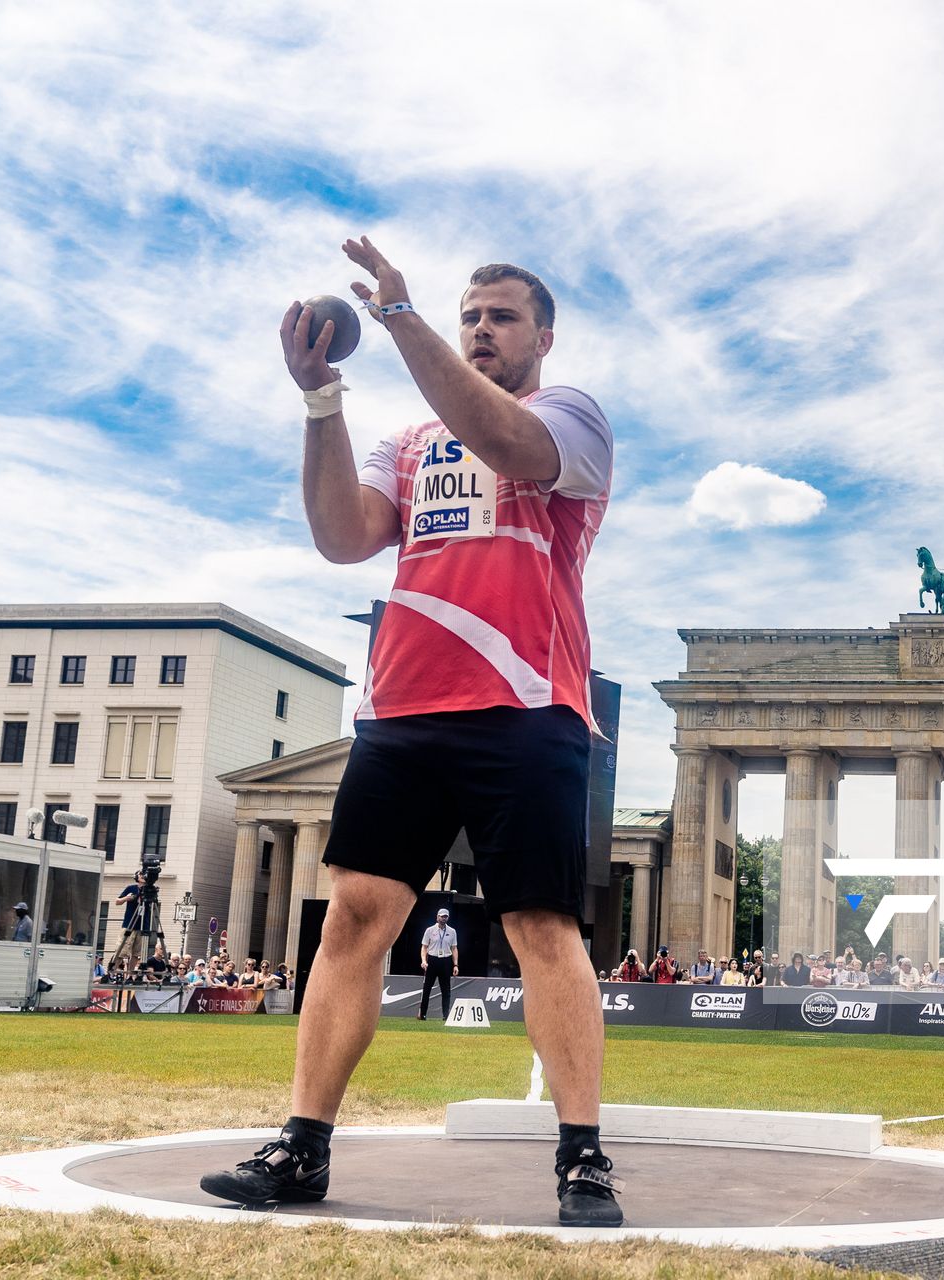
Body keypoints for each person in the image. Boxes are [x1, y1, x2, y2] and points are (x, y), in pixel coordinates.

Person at [203, 251, 621, 1228]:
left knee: (540, 926)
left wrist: (399, 316)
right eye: (471, 313)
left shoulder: (572, 418)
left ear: (543, 337)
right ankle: (301, 1144)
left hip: (525, 701)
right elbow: (344, 535)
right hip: (403, 708)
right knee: (353, 915)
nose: (482, 327)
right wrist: (318, 402)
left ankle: (583, 1156)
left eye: (503, 317)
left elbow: (504, 438)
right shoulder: (409, 438)